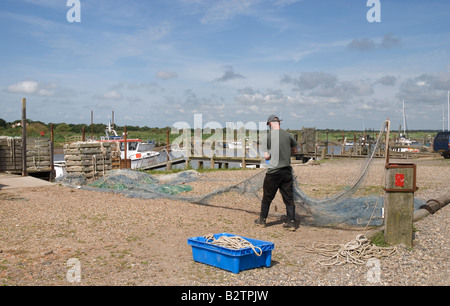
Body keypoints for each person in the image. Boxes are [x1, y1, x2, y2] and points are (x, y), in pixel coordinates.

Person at [255, 114, 298, 231]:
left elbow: (267, 156)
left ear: (269, 124)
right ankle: (292, 222)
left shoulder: (267, 137)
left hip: (273, 172)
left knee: (267, 197)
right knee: (288, 197)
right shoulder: (288, 135)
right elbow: (294, 150)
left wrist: (270, 158)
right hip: (286, 171)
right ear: (279, 123)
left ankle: (262, 220)